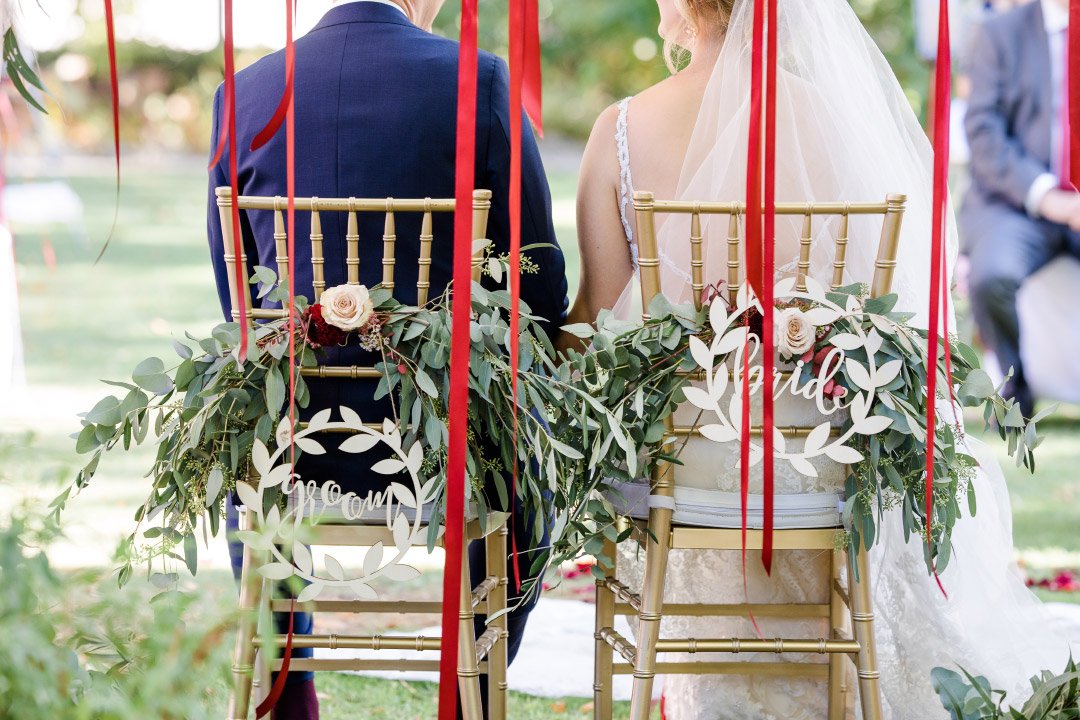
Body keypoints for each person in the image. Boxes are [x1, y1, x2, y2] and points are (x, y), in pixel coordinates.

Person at [568, 0, 1078, 717]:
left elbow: (593, 326)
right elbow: (882, 313)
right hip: (825, 459)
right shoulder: (840, 122)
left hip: (681, 471)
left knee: (650, 447)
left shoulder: (619, 130)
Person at [206, 1, 569, 717]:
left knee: (242, 455)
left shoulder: (244, 93)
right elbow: (541, 287)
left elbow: (238, 307)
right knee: (525, 479)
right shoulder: (480, 81)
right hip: (442, 446)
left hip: (291, 441)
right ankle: (473, 691)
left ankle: (288, 694)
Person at [962, 0, 1077, 420]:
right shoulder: (999, 33)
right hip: (1019, 205)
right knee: (992, 276)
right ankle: (1016, 390)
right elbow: (983, 132)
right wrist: (1049, 198)